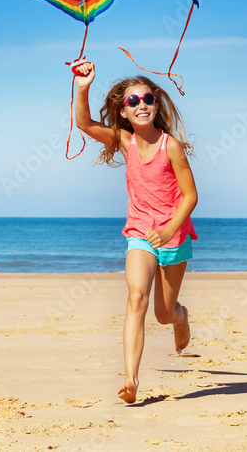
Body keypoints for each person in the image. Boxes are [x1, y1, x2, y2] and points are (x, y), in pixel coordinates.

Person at [73, 61, 198, 404]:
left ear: (156, 104)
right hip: (140, 233)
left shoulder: (169, 146)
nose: (141, 104)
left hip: (173, 235)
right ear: (124, 112)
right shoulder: (125, 142)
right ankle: (131, 380)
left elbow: (191, 196)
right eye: (132, 101)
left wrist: (170, 227)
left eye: (147, 98)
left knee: (162, 314)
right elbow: (83, 122)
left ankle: (180, 316)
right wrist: (83, 86)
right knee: (136, 298)